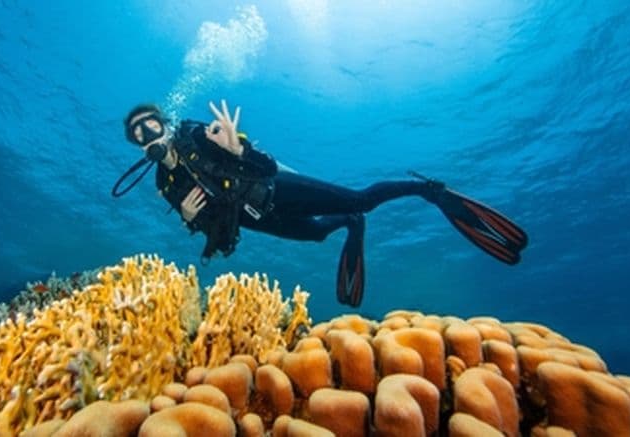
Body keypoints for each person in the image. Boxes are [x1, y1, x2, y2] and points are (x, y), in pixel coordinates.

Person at [114, 100, 528, 307]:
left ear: (164, 122)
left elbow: (266, 166)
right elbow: (218, 237)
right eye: (138, 134)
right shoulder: (163, 183)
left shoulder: (199, 135)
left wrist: (238, 151)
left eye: (150, 124)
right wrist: (191, 221)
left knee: (361, 199)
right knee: (316, 235)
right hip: (260, 220)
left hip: (278, 190)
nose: (147, 134)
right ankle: (351, 225)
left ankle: (429, 192)